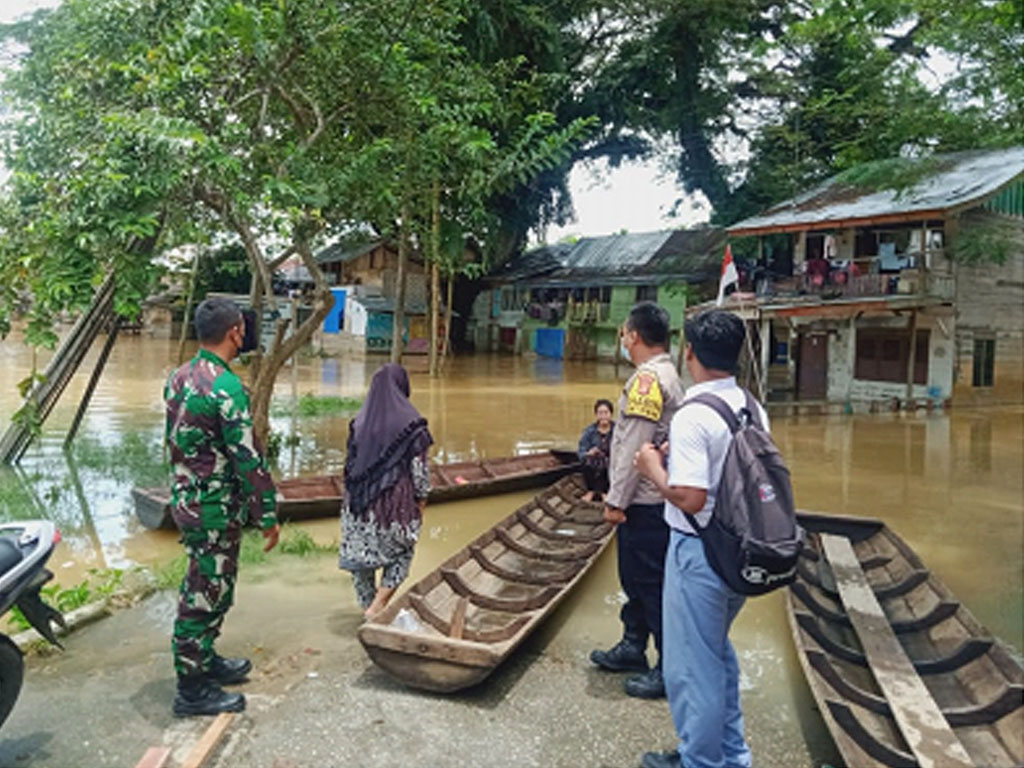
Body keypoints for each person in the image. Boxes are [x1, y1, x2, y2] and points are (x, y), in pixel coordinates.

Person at [634, 309, 766, 768]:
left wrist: (653, 468)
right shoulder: (749, 405)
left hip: (699, 554)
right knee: (717, 658)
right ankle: (728, 756)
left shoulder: (694, 414)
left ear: (689, 352)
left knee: (693, 667)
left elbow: (690, 496)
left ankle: (700, 761)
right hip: (740, 550)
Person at [164, 297, 280, 717]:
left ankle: (205, 660)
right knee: (204, 594)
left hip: (187, 499)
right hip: (211, 508)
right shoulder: (226, 387)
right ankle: (191, 690)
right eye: (243, 328)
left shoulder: (179, 376)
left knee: (212, 586)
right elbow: (247, 457)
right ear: (236, 332)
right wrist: (267, 514)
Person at [589, 302, 684, 700]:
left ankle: (666, 667)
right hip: (654, 500)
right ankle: (632, 646)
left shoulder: (646, 380)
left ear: (634, 336)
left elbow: (634, 444)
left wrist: (616, 500)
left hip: (644, 503)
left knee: (649, 583)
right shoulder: (671, 374)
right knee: (638, 580)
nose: (624, 341)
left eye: (625, 334)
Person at [340, 363, 433, 618]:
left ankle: (367, 606)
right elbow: (420, 477)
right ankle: (378, 606)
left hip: (356, 510)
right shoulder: (414, 427)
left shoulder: (358, 423)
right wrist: (419, 508)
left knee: (360, 560)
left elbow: (349, 468)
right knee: (403, 551)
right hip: (393, 511)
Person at [577, 399, 615, 502]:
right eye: (600, 413)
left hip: (611, 463)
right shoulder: (589, 431)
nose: (603, 416)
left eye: (606, 413)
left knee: (608, 462)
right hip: (594, 464)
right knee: (588, 460)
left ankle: (605, 492)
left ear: (611, 414)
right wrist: (589, 453)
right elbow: (581, 451)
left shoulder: (618, 430)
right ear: (596, 415)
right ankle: (591, 491)